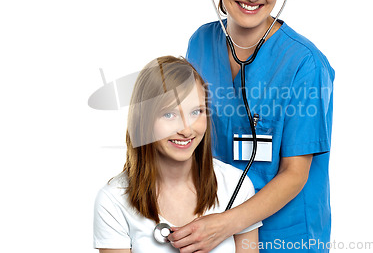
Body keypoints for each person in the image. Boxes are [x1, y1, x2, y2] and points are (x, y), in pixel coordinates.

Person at [169, 0, 335, 252]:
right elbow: (190, 135)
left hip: (284, 238)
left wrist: (223, 225)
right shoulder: (200, 43)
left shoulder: (305, 65)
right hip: (213, 231)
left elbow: (295, 174)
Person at [93, 56, 261, 253]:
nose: (187, 130)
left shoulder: (237, 186)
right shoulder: (113, 200)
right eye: (169, 114)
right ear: (143, 119)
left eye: (196, 112)